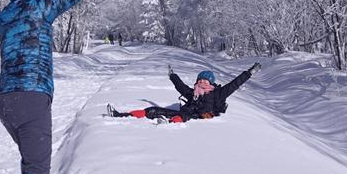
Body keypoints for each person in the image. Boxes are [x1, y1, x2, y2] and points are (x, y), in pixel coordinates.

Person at [0, 0, 85, 174]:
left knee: (30, 157)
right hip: (32, 96)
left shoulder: (4, 17)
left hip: (4, 101)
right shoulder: (39, 8)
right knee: (37, 165)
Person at [107, 63, 261, 123]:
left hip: (200, 117)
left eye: (205, 81)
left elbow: (235, 84)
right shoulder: (192, 93)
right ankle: (123, 115)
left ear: (211, 83)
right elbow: (180, 86)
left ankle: (170, 122)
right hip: (185, 113)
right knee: (154, 111)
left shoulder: (218, 94)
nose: (202, 83)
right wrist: (172, 75)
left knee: (184, 115)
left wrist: (250, 72)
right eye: (200, 81)